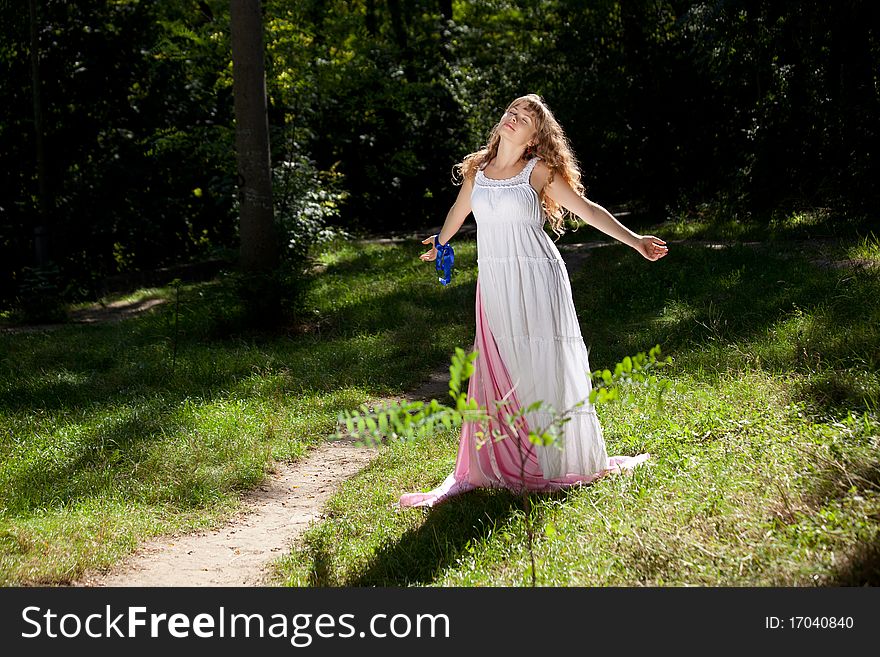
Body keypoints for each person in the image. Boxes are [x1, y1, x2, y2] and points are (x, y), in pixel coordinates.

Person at [400, 94, 668, 508]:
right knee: (501, 365)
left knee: (543, 365)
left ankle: (553, 459)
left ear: (534, 136)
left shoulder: (538, 171)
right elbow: (458, 212)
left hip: (539, 278)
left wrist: (634, 242)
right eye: (511, 112)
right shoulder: (477, 170)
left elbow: (588, 210)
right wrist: (441, 242)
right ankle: (507, 457)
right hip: (496, 282)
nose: (513, 119)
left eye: (524, 118)